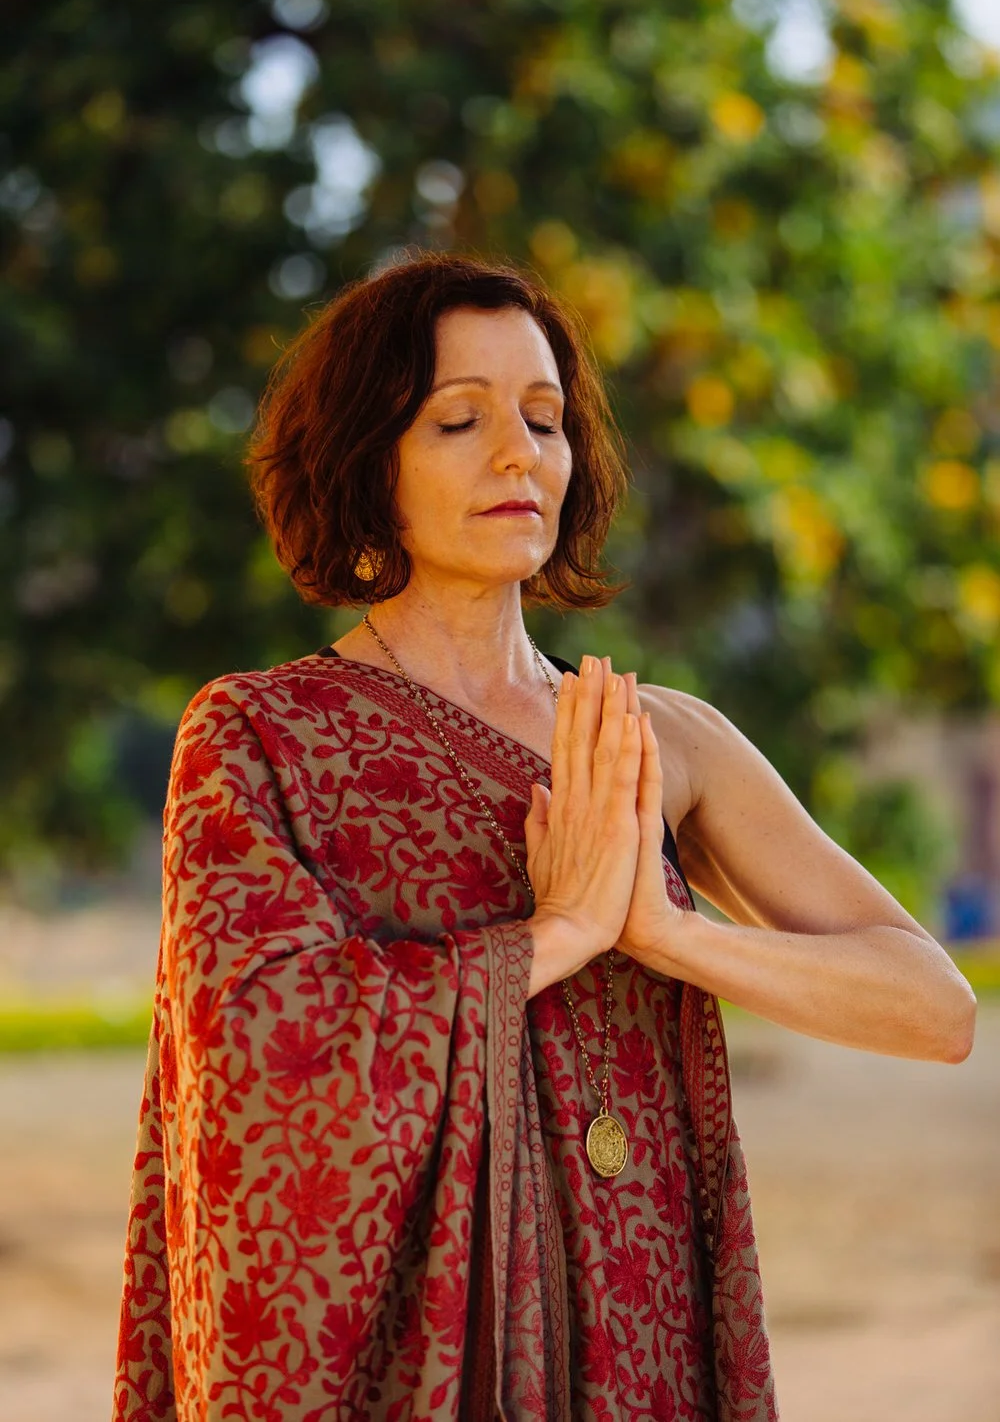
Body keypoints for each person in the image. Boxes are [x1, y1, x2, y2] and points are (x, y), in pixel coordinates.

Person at [113, 251, 976, 1422]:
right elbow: (257, 1063)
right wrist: (557, 934)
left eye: (545, 418)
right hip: (424, 1367)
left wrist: (665, 935)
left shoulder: (655, 738)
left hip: (644, 1329)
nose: (520, 454)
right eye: (458, 420)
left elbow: (934, 1011)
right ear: (371, 459)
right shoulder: (263, 737)